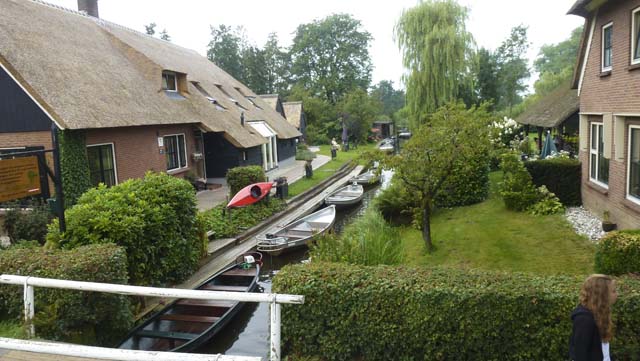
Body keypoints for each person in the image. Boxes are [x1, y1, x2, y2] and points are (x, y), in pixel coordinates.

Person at [569, 274, 617, 361]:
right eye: (613, 291)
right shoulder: (584, 320)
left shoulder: (600, 313)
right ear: (602, 295)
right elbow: (580, 353)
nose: (617, 294)